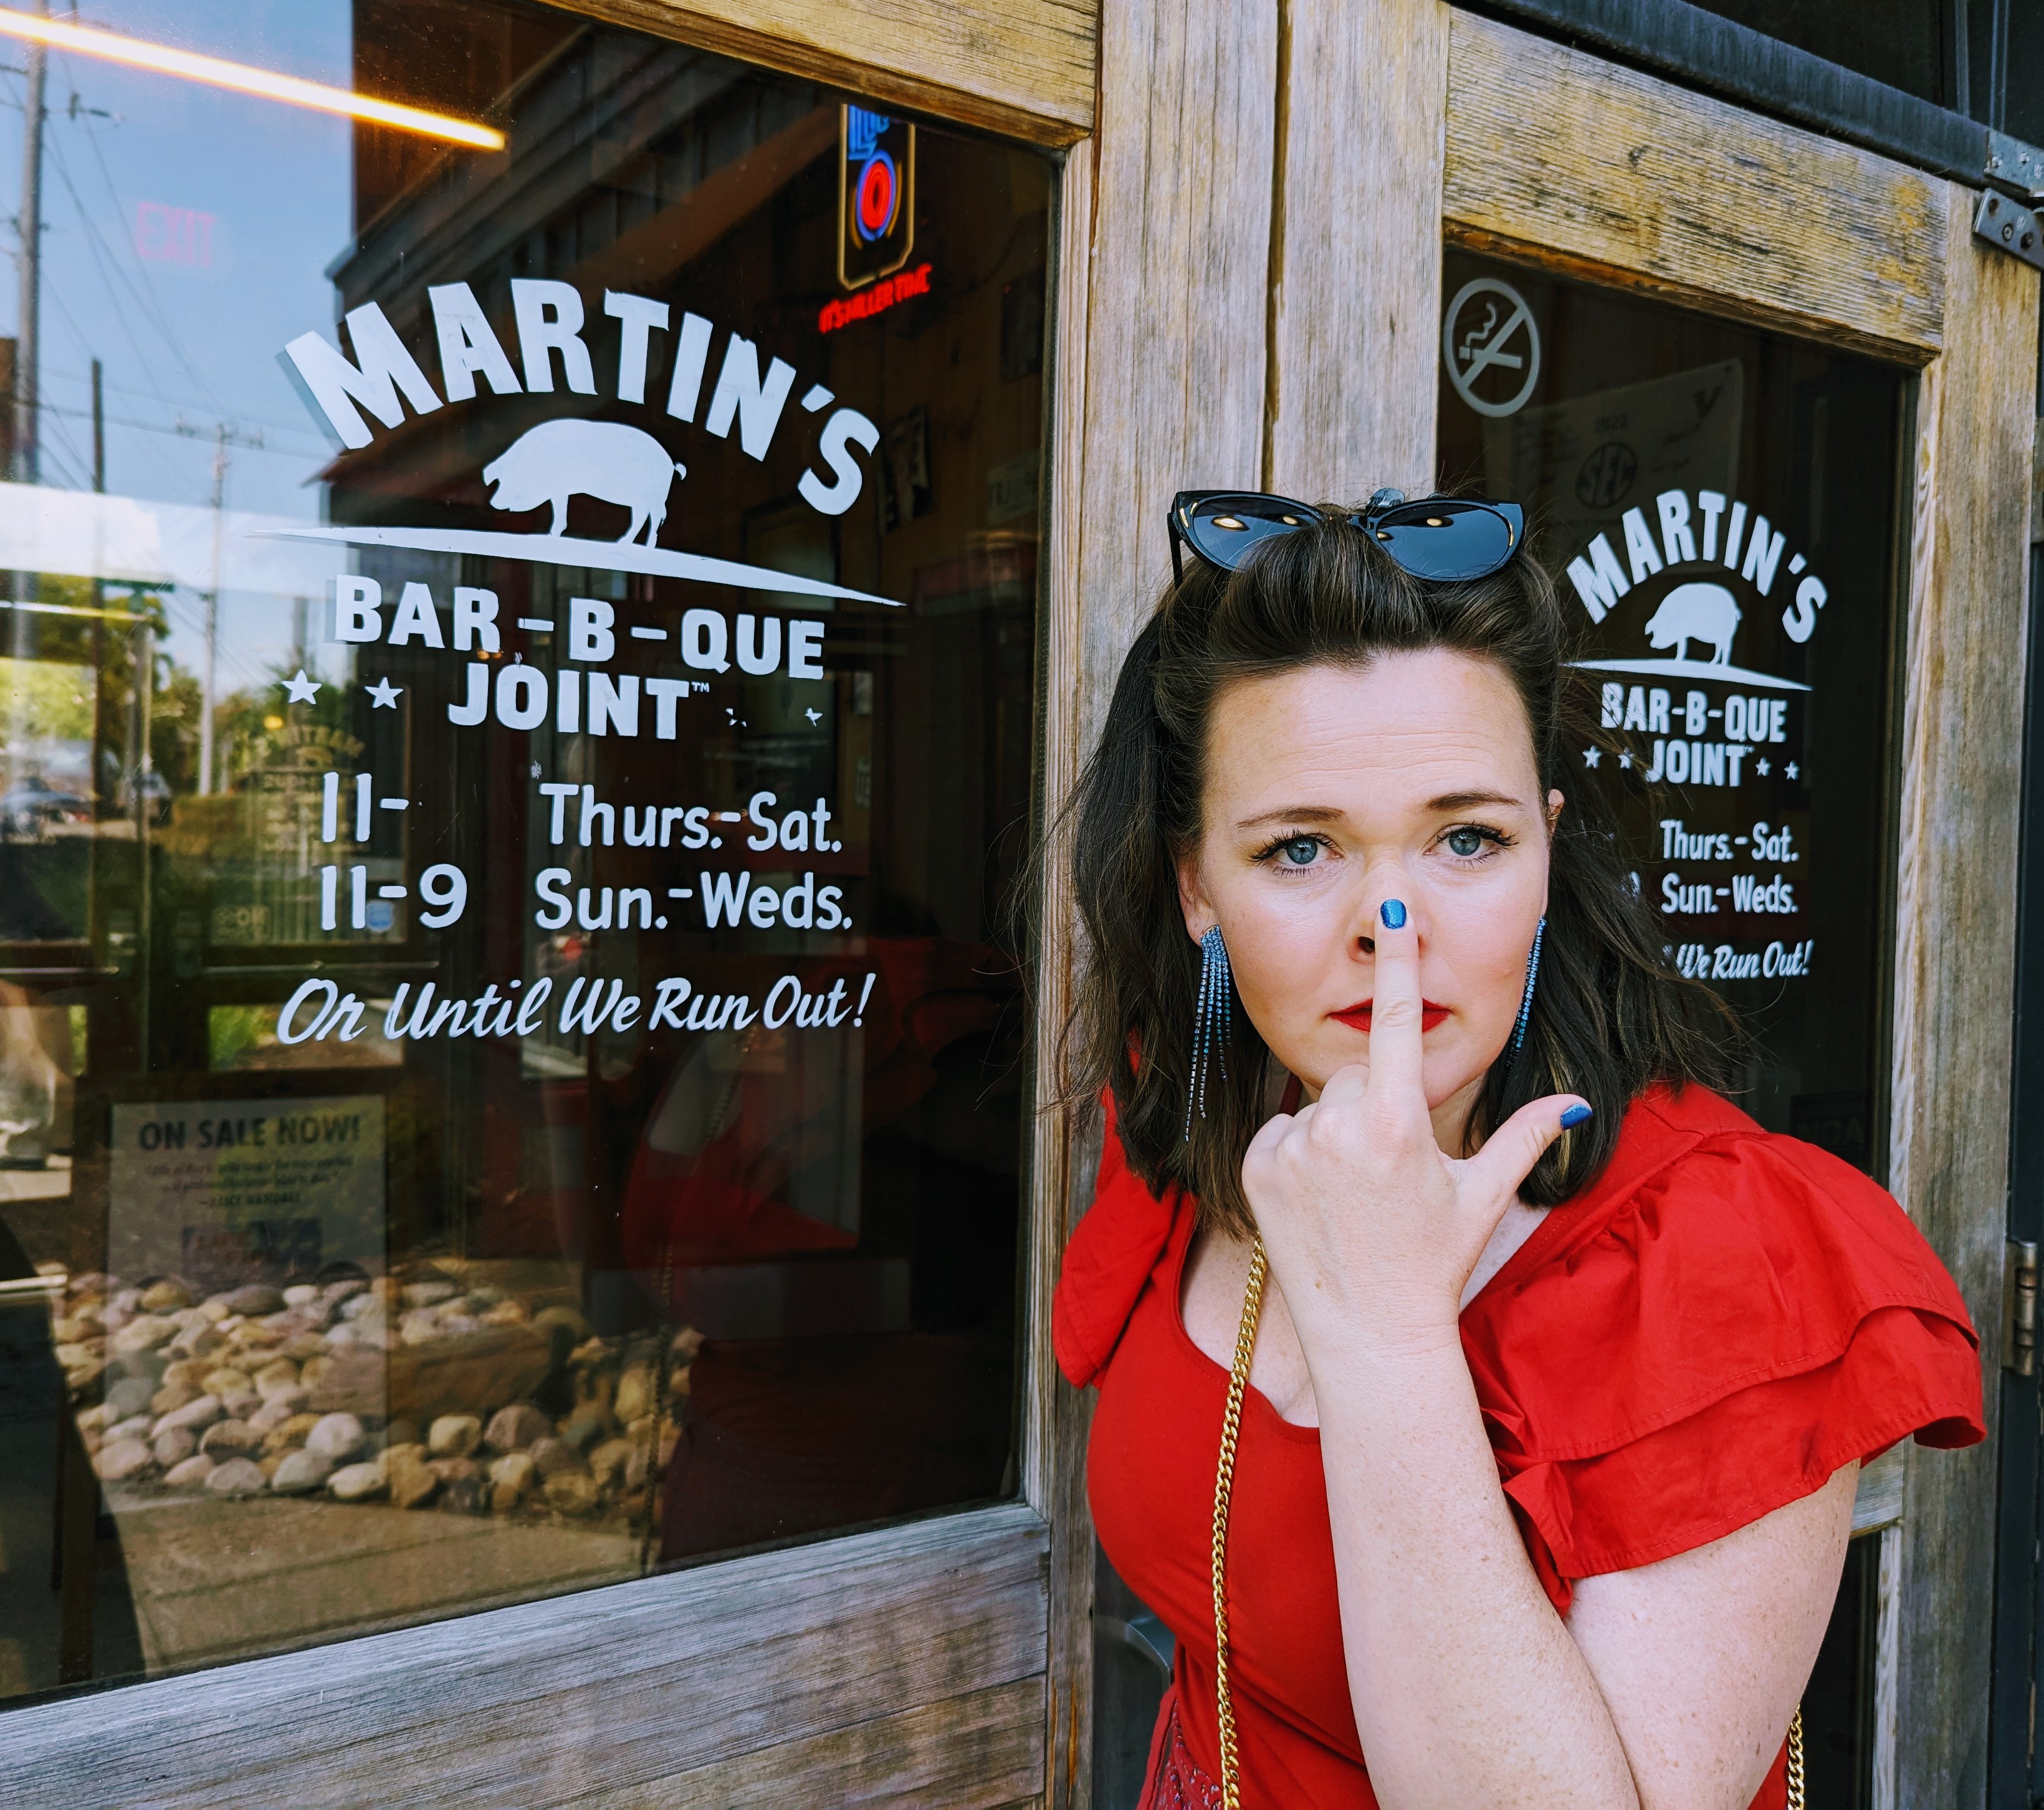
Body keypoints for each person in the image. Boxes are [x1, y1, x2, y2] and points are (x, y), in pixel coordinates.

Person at [1052, 491, 1983, 1809]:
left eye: (1466, 838)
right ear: (1197, 885)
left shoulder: (1722, 1256)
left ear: (1546, 849)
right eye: (1300, 847)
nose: (1391, 921)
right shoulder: (1204, 1118)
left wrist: (1387, 1330)